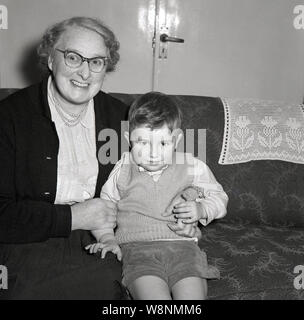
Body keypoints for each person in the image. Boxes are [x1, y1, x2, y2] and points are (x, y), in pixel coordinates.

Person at [0, 16, 130, 300]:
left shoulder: (121, 118)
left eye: (96, 62)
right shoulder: (9, 117)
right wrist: (72, 217)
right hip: (29, 240)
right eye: (73, 57)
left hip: (103, 238)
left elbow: (149, 180)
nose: (85, 73)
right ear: (50, 59)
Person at [86, 92, 228, 300]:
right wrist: (107, 238)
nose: (153, 153)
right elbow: (102, 209)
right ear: (129, 139)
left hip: (184, 248)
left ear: (177, 139)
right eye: (142, 143)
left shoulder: (191, 165)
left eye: (163, 144)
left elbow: (219, 197)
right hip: (137, 252)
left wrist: (201, 209)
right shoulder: (123, 168)